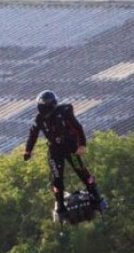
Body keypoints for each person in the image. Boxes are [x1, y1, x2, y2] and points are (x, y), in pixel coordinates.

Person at [23, 90, 105, 220]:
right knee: (57, 178)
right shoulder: (39, 119)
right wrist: (28, 151)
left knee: (81, 171)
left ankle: (95, 194)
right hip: (55, 151)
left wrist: (82, 144)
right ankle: (60, 204)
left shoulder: (64, 112)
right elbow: (33, 134)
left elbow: (78, 127)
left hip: (70, 148)